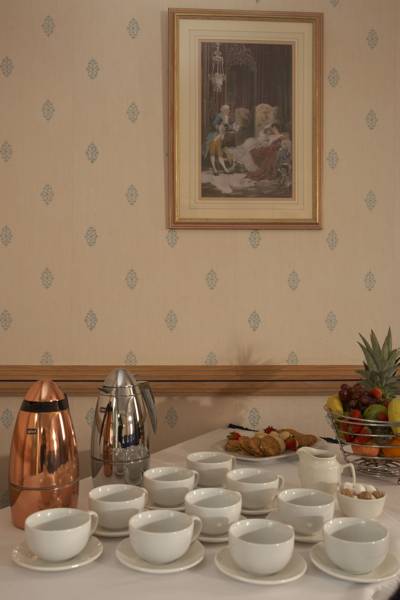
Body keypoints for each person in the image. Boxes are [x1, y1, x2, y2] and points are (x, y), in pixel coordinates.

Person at [204, 105, 233, 175]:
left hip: (220, 137)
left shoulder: (226, 117)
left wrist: (228, 128)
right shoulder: (219, 116)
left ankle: (225, 169)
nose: (228, 111)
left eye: (228, 109)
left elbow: (227, 126)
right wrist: (220, 127)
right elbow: (214, 124)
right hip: (213, 136)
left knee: (219, 153)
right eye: (226, 109)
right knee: (213, 153)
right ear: (222, 110)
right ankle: (215, 169)